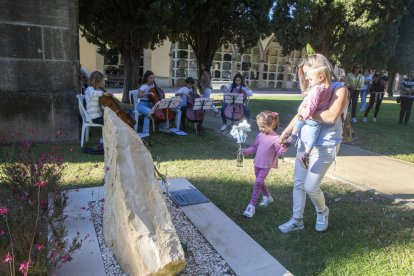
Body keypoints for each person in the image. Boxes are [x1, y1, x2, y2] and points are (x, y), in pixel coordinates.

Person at [278, 53, 349, 233]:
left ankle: (322, 211)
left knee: (311, 186)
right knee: (299, 183)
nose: (307, 80)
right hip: (304, 142)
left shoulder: (339, 89)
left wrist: (308, 112)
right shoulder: (313, 89)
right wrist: (286, 132)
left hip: (326, 144)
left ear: (320, 71)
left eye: (308, 74)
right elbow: (300, 114)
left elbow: (331, 117)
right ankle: (297, 220)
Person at [284, 65, 333, 169]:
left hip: (311, 117)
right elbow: (318, 99)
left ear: (321, 78)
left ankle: (292, 137)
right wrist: (307, 94)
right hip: (315, 120)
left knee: (300, 122)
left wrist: (305, 115)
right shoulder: (328, 88)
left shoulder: (317, 89)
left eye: (311, 79)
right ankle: (306, 154)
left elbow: (312, 105)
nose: (307, 79)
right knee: (312, 137)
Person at [241, 111, 288, 218]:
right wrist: (246, 151)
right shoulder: (259, 135)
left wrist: (284, 146)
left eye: (262, 126)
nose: (260, 129)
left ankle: (251, 206)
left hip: (266, 165)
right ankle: (267, 197)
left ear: (272, 125)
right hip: (257, 163)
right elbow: (254, 147)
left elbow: (280, 152)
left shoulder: (277, 139)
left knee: (257, 182)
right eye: (259, 126)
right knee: (260, 182)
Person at [136, 70, 166, 137]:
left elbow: (159, 91)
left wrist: (157, 89)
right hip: (142, 105)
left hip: (150, 105)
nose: (152, 79)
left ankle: (162, 128)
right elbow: (138, 95)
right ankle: (145, 132)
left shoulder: (153, 86)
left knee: (164, 110)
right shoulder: (144, 86)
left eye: (153, 78)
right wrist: (147, 93)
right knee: (150, 112)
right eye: (150, 77)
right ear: (146, 78)